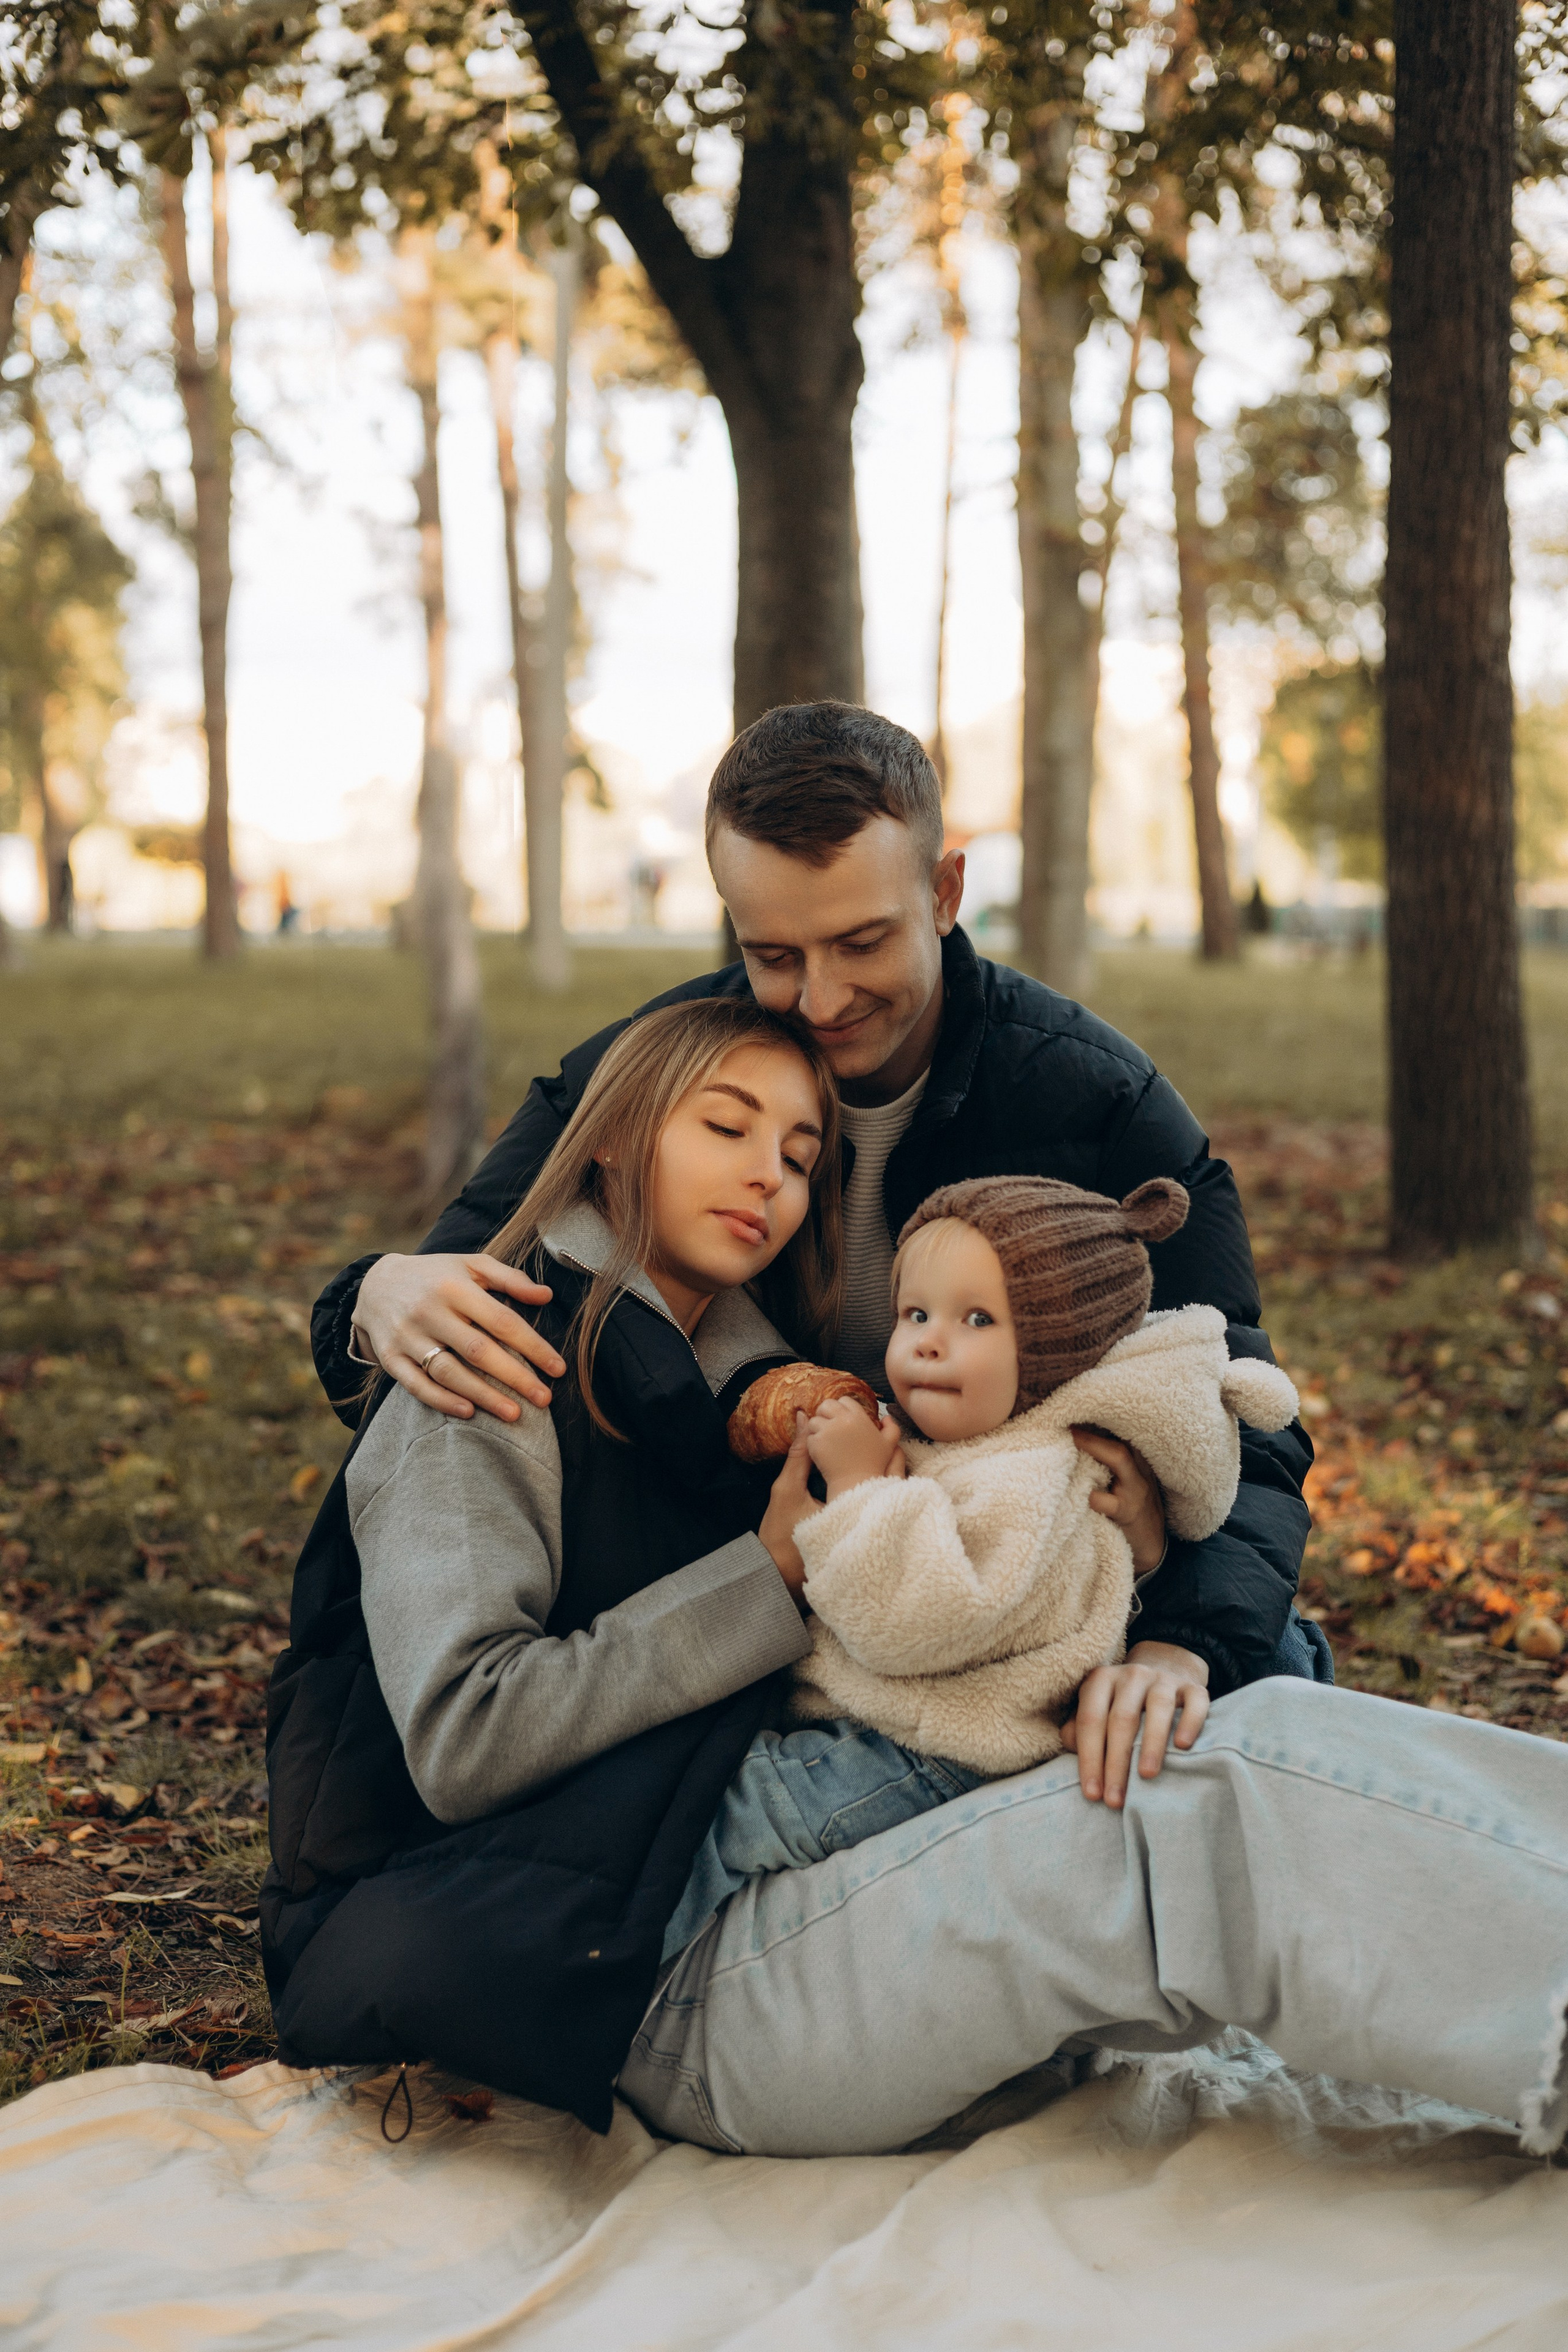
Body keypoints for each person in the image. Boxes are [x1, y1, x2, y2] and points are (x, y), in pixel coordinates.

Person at [265, 987, 1568, 2163]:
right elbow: (462, 1736)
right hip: (647, 1981)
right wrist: (770, 1574)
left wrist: (1122, 1515)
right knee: (1200, 1811)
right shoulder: (481, 1375)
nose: (767, 1178)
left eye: (795, 1154)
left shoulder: (753, 1381)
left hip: (788, 1888)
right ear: (615, 1140)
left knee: (1235, 1724)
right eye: (724, 1128)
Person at [311, 701, 1329, 1821]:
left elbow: (1248, 1408)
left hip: (1028, 1556)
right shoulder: (671, 1069)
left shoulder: (1095, 1101)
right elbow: (476, 1285)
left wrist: (1188, 1641)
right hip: (779, 1589)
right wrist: (373, 1291)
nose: (823, 999)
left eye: (861, 943)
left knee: (1258, 1678)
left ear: (944, 894)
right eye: (774, 954)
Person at [662, 1170, 1300, 1952]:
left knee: (744, 1815)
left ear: (1050, 1351)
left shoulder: (1031, 1478)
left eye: (975, 1319)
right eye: (915, 1313)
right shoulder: (983, 1440)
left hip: (938, 1748)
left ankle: (620, 1980)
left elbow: (914, 1622)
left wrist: (862, 1487)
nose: (929, 1339)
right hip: (907, 1715)